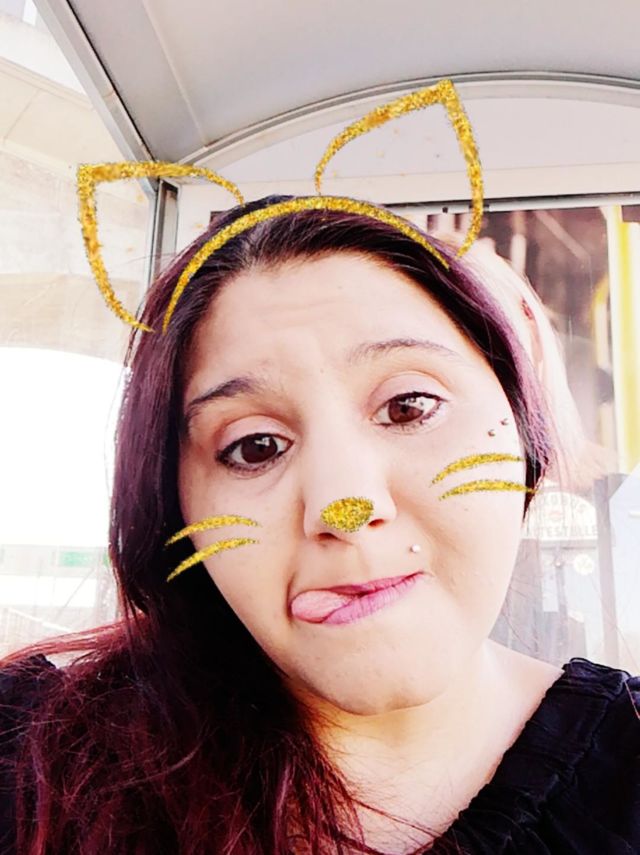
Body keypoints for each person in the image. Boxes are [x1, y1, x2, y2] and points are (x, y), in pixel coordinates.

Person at [0, 197, 638, 855]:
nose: (344, 506)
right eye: (255, 447)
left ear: (522, 432)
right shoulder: (30, 756)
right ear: (174, 510)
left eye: (409, 406)